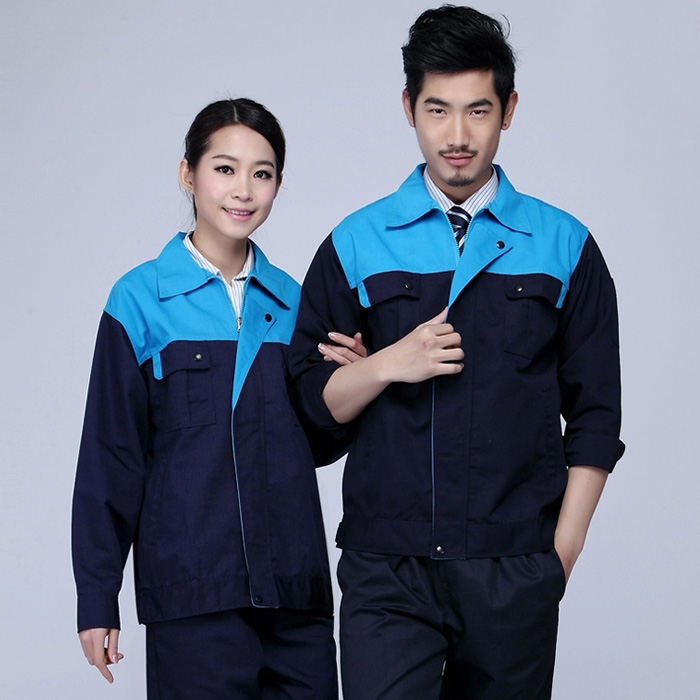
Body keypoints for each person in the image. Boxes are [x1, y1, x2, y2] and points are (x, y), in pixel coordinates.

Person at [288, 6, 624, 699]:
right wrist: (386, 363)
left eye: (478, 111)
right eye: (437, 110)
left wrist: (559, 559)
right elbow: (313, 412)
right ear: (409, 108)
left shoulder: (565, 246)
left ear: (509, 110)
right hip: (388, 568)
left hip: (513, 569)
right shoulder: (356, 243)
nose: (458, 136)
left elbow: (596, 415)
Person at [71, 98, 363, 700]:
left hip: (295, 595)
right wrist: (97, 597)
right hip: (193, 597)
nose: (244, 190)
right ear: (189, 174)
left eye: (263, 173)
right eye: (225, 169)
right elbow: (111, 457)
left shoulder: (294, 303)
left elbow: (315, 443)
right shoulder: (139, 300)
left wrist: (352, 383)